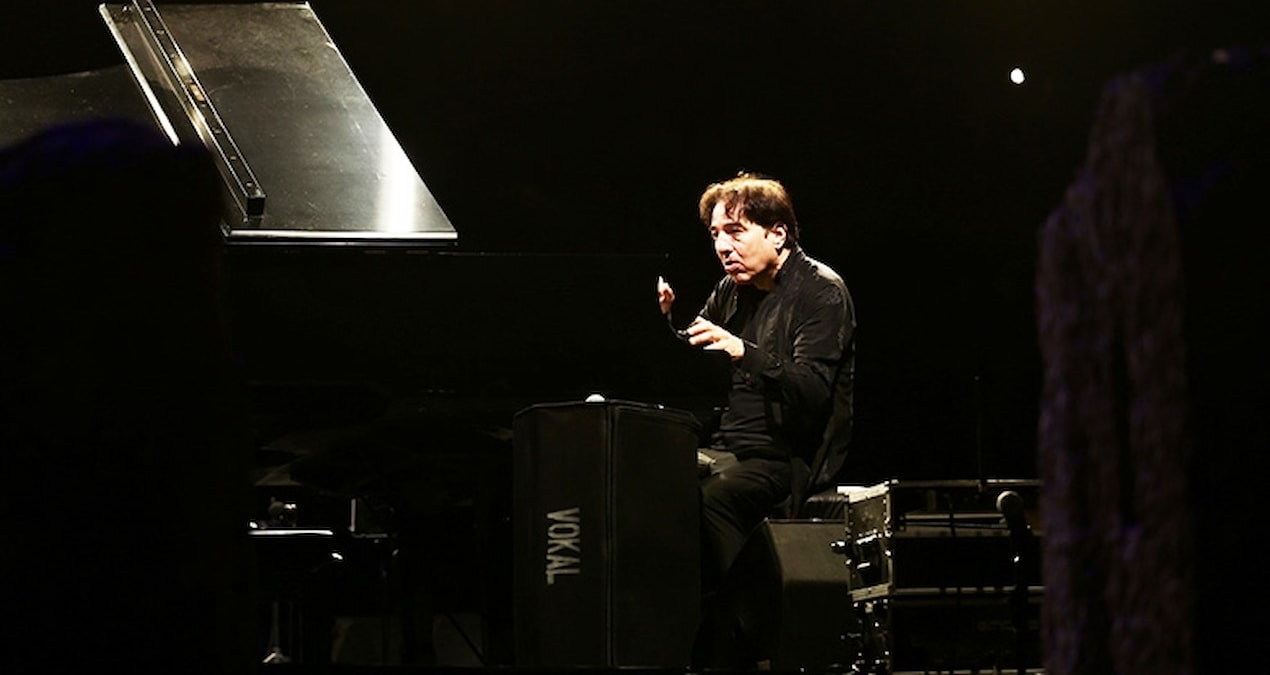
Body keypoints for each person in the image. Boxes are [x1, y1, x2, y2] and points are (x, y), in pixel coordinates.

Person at [657, 172, 856, 661]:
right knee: (652, 486)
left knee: (714, 499)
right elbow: (695, 360)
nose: (723, 247)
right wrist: (666, 324)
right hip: (729, 446)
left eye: (735, 231)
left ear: (778, 234)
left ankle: (753, 625)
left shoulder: (821, 292)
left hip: (787, 457)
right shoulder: (732, 289)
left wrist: (745, 352)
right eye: (715, 235)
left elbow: (812, 391)